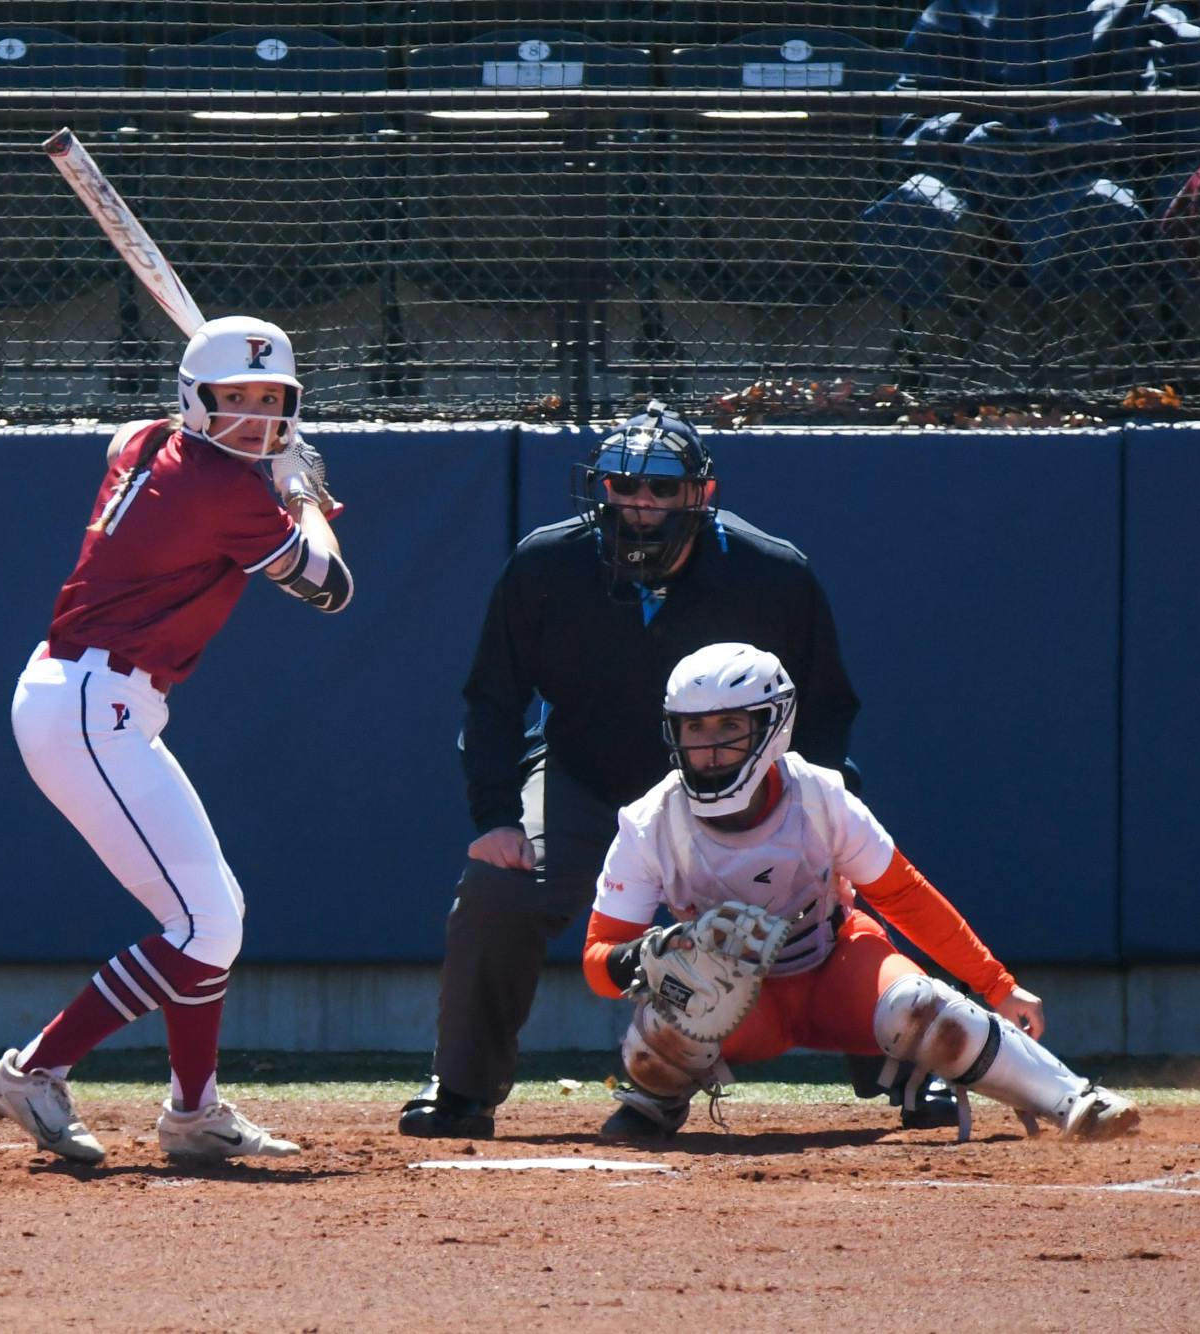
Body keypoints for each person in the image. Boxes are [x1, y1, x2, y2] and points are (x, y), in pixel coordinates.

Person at [399, 401, 954, 1139]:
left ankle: (912, 1069)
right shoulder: (545, 564)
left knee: (841, 894)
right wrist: (495, 815)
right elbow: (492, 699)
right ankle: (462, 1088)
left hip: (745, 792)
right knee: (500, 884)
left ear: (701, 494)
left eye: (661, 489)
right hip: (586, 778)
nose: (640, 505)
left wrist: (820, 820)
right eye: (623, 487)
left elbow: (825, 708)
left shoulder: (772, 574)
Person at [0, 315, 352, 1166]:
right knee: (202, 923)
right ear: (195, 400)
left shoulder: (151, 440)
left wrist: (272, 472)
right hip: (89, 703)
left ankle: (194, 1113)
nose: (255, 418)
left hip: (96, 700)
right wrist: (300, 493)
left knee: (212, 915)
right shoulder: (219, 489)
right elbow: (331, 587)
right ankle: (35, 1070)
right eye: (234, 400)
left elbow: (132, 433)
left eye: (271, 400)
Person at [582, 641, 1139, 1143]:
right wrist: (640, 958)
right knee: (676, 992)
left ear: (773, 725)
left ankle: (1074, 1101)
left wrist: (997, 984)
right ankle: (660, 1090)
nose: (707, 747)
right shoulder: (648, 821)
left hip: (834, 966)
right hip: (737, 1004)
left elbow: (903, 895)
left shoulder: (821, 796)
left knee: (921, 1005)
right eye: (693, 728)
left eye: (727, 725)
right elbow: (596, 957)